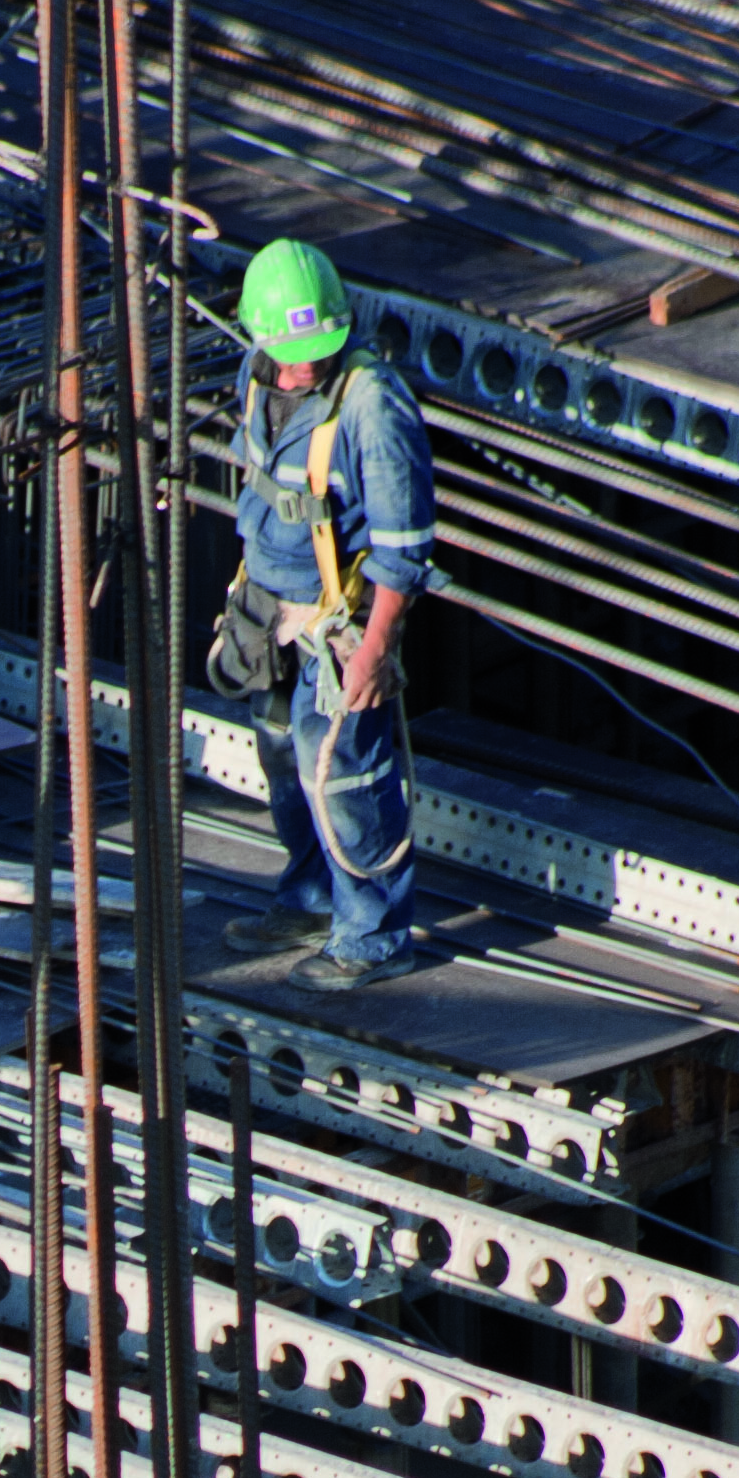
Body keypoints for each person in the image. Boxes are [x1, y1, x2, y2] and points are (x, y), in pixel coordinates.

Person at [205, 237, 439, 993]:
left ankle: (372, 935)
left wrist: (373, 650)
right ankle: (309, 899)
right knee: (283, 759)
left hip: (337, 627)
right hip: (268, 607)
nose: (306, 364)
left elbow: (405, 550)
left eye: (319, 348)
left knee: (345, 775)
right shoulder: (255, 374)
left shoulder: (371, 402)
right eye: (292, 351)